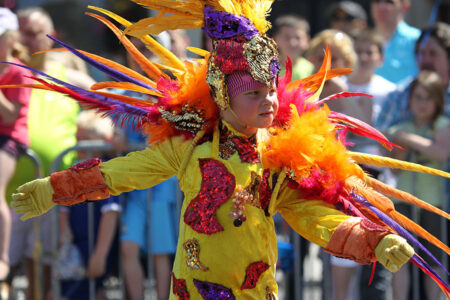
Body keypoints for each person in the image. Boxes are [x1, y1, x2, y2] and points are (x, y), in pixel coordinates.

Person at [7, 1, 449, 299]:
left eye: (270, 91)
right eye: (254, 93)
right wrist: (56, 187)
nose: (269, 102)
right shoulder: (191, 145)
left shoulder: (280, 155)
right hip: (191, 289)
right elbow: (127, 171)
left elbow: (313, 216)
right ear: (222, 96)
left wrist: (372, 238)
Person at [5, 7, 94, 299]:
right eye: (21, 32)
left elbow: (108, 108)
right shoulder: (8, 72)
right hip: (7, 195)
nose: (25, 39)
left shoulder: (66, 77)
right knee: (5, 269)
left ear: (51, 37)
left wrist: (88, 123)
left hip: (48, 195)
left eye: (32, 33)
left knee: (40, 278)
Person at [330, 29, 397, 300]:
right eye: (360, 51)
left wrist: (348, 96)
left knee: (374, 254)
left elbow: (375, 134)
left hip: (377, 185)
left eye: (371, 51)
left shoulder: (389, 90)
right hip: (341, 179)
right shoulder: (336, 84)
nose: (365, 57)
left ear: (380, 57)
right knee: (342, 251)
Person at [118, 34, 179, 300]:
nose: (139, 52)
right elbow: (121, 132)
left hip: (162, 186)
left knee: (160, 251)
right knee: (128, 248)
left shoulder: (173, 90)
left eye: (145, 47)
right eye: (136, 47)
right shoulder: (128, 87)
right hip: (135, 186)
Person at [388, 71, 450, 300]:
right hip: (403, 203)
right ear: (410, 99)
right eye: (418, 97)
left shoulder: (443, 124)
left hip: (432, 203)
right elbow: (394, 166)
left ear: (437, 101)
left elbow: (441, 151)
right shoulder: (401, 127)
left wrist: (407, 139)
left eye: (428, 98)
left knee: (435, 262)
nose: (422, 104)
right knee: (400, 258)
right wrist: (401, 140)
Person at [58, 111, 120, 300]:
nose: (79, 146)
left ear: (103, 141)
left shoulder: (108, 172)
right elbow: (63, 206)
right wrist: (64, 230)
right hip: (75, 249)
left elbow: (110, 213)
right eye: (77, 139)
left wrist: (100, 254)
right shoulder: (74, 170)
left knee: (88, 291)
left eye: (85, 140)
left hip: (95, 247)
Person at [0, 7, 32, 282]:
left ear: (10, 39)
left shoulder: (19, 71)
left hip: (10, 137)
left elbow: (10, 115)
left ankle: (3, 258)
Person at [375, 22, 450, 133]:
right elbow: (379, 140)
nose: (425, 60)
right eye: (421, 53)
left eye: (433, 53)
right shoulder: (398, 96)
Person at [371, 0, 420, 84]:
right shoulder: (363, 41)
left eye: (389, 2)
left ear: (405, 6)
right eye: (377, 1)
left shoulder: (418, 39)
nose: (381, 7)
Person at [272, 15, 314, 81]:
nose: (292, 43)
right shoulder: (267, 70)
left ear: (307, 40)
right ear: (275, 39)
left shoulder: (313, 70)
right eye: (287, 37)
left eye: (298, 38)